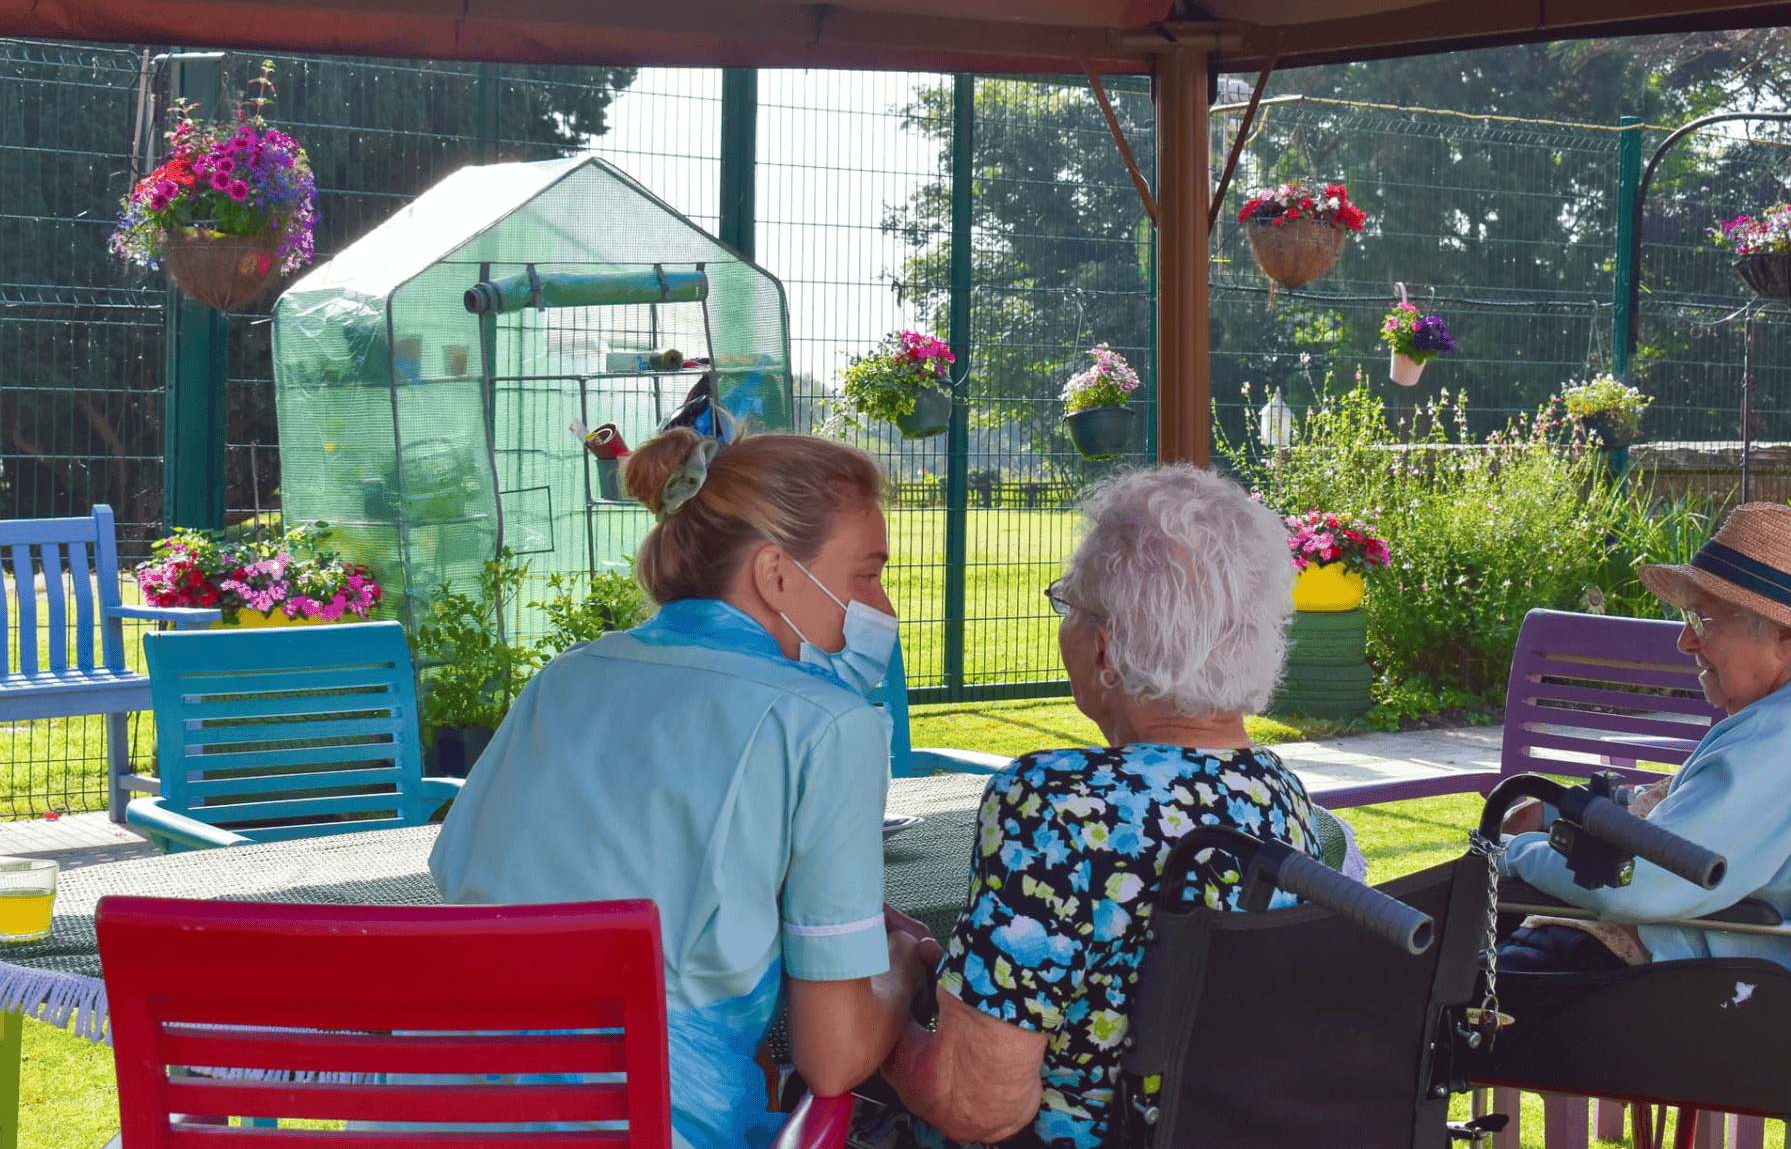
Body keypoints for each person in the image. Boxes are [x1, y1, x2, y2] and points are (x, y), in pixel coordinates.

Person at [429, 428, 939, 1149]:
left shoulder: (563, 678)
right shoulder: (829, 725)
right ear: (775, 573)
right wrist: (890, 973)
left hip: (431, 1113)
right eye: (864, 575)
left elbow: (480, 881)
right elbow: (832, 1058)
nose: (882, 608)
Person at [852, 464, 1321, 1149]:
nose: (1064, 623)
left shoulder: (1056, 804)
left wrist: (887, 1004)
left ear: (1105, 649)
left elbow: (977, 1109)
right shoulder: (1278, 794)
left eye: (1068, 603)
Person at [1501, 501, 1791, 972]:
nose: (1685, 641)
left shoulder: (1776, 737)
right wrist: (1559, 813)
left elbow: (1636, 883)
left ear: (1784, 636)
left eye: (1704, 620)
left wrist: (1513, 854)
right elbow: (1702, 814)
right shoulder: (1773, 727)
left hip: (1702, 991)